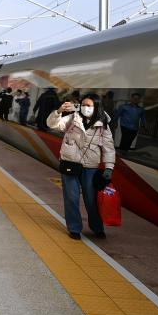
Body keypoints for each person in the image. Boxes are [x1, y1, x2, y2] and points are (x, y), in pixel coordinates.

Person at [47, 94, 116, 240]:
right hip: (70, 163)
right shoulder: (73, 118)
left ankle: (97, 227)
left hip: (90, 166)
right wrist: (58, 112)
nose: (85, 108)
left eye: (89, 105)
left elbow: (109, 147)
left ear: (96, 107)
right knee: (71, 198)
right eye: (83, 105)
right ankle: (74, 228)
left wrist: (109, 167)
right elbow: (52, 124)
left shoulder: (103, 124)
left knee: (91, 200)